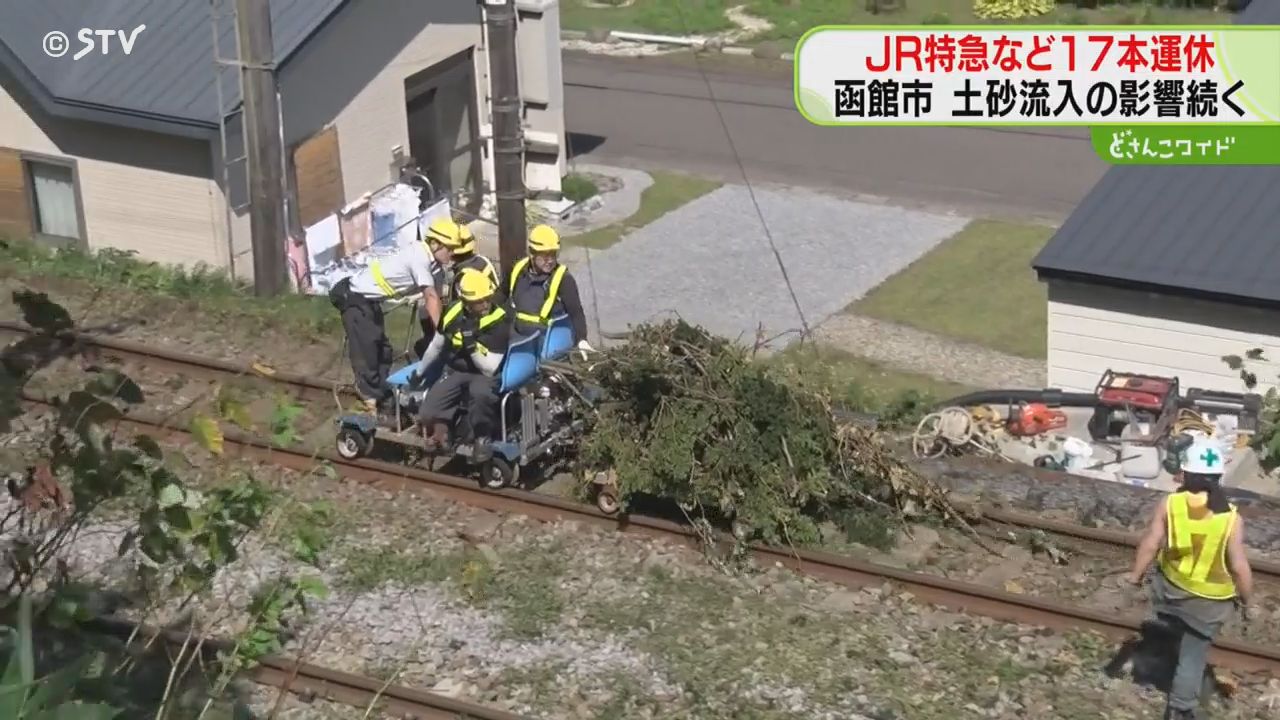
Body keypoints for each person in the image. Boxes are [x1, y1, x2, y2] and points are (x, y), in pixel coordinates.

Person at [1126, 437, 1254, 720]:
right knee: (1193, 656)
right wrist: (1246, 600)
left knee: (1177, 636)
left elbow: (1150, 543)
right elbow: (1239, 567)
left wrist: (1135, 577)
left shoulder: (1170, 503)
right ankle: (1181, 709)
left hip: (1170, 591)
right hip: (1209, 603)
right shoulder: (1230, 518)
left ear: (1186, 473)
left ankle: (1163, 668)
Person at [330, 232, 442, 416]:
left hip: (370, 300)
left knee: (384, 350)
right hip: (354, 297)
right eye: (451, 249)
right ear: (437, 245)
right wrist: (442, 332)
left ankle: (380, 392)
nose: (453, 254)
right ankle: (368, 398)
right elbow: (430, 296)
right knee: (367, 348)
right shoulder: (420, 259)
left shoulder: (430, 260)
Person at [413, 268, 513, 462]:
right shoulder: (452, 312)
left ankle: (482, 437)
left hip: (486, 374)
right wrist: (419, 372)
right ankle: (445, 431)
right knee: (427, 412)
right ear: (466, 303)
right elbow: (437, 344)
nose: (485, 304)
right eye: (479, 302)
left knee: (480, 393)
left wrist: (471, 346)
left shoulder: (500, 319)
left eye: (487, 298)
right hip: (458, 370)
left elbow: (490, 367)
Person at [505, 224, 591, 358]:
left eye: (553, 255)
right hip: (517, 339)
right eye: (545, 256)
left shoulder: (564, 279)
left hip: (546, 342)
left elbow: (576, 313)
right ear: (531, 252)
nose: (550, 260)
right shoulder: (517, 270)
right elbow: (499, 297)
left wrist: (582, 339)